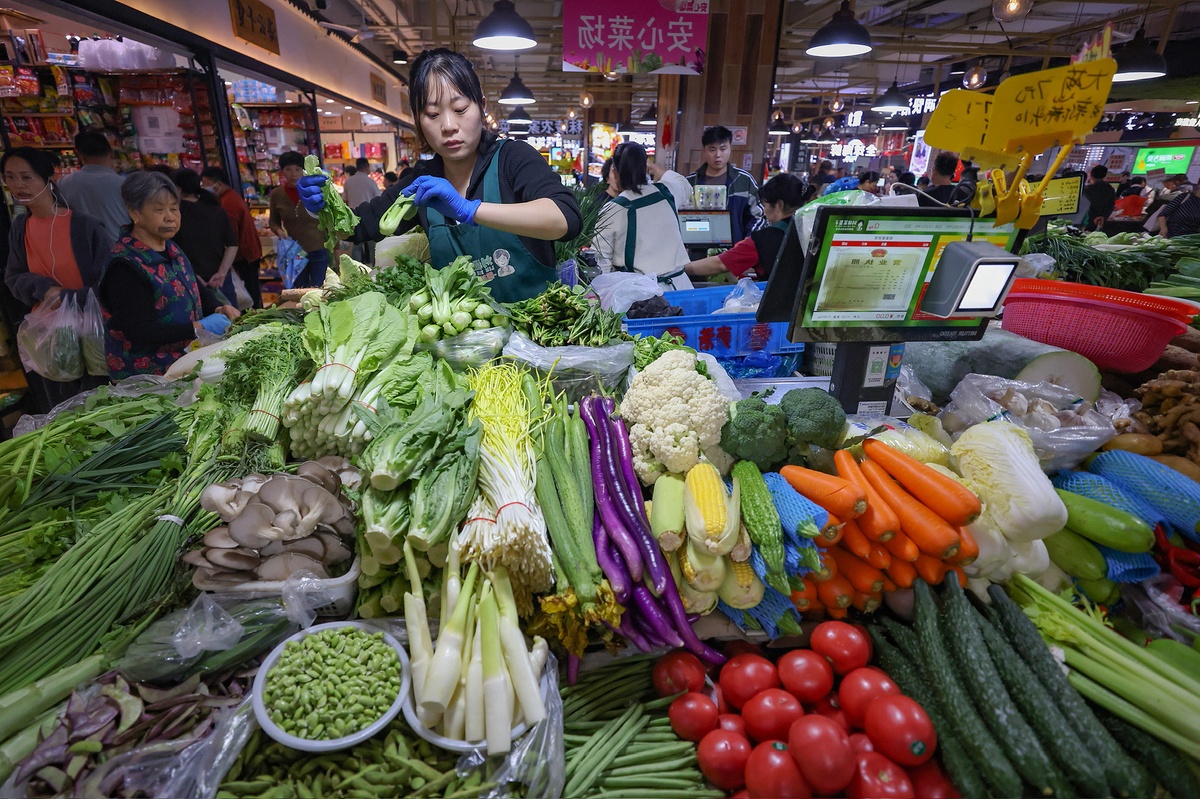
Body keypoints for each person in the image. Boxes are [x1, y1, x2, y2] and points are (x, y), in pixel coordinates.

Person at [295, 48, 581, 302]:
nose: (448, 126)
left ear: (481, 106)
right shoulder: (422, 180)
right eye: (432, 114)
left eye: (460, 109)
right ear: (418, 120)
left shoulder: (513, 158)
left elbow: (565, 219)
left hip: (534, 333)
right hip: (464, 340)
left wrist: (470, 210)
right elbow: (358, 227)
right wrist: (320, 205)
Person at [2, 147, 113, 410]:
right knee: (64, 412)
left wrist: (68, 297)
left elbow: (109, 282)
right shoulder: (20, 228)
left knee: (101, 409)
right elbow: (13, 277)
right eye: (10, 177)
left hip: (93, 333)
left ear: (46, 179)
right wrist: (43, 289)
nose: (19, 185)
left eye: (27, 177)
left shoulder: (85, 226)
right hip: (51, 338)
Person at [99, 171, 239, 379]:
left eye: (174, 208)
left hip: (183, 362)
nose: (170, 217)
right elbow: (138, 331)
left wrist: (218, 307)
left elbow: (192, 286)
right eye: (159, 210)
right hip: (149, 376)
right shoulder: (126, 265)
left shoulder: (172, 249)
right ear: (134, 212)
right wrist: (199, 327)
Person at [594, 141, 691, 290]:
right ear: (645, 169)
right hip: (681, 288)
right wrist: (653, 166)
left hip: (640, 295)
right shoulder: (668, 192)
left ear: (614, 172)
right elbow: (683, 183)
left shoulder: (613, 209)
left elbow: (601, 263)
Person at [686, 173, 803, 281]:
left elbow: (719, 264)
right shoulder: (809, 227)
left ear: (778, 205)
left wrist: (681, 269)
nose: (764, 211)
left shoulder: (764, 239)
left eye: (765, 205)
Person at [170, 168, 239, 305]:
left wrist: (192, 276)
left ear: (177, 189)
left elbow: (172, 249)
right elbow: (232, 244)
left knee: (202, 325)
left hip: (189, 282)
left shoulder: (174, 214)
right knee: (232, 322)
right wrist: (222, 273)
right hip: (220, 282)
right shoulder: (216, 209)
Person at [685, 126, 764, 241]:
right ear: (704, 151)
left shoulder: (744, 181)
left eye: (723, 149)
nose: (718, 155)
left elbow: (757, 216)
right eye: (712, 150)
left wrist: (745, 243)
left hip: (734, 252)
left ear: (730, 148)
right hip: (697, 251)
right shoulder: (690, 182)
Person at [201, 166, 264, 308]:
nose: (204, 188)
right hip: (247, 252)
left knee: (250, 293)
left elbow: (231, 236)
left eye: (205, 184)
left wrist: (227, 262)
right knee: (251, 290)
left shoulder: (227, 203)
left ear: (218, 184)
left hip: (244, 254)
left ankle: (255, 318)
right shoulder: (230, 197)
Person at [269, 151, 328, 287]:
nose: (293, 173)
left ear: (303, 170)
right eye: (288, 170)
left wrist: (336, 249)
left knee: (320, 290)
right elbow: (273, 221)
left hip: (318, 248)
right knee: (299, 291)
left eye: (297, 169)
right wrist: (279, 231)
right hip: (294, 251)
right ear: (282, 171)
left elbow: (329, 220)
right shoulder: (277, 194)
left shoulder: (314, 191)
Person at [57, 130, 129, 240]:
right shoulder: (125, 184)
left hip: (82, 250)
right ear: (111, 153)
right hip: (120, 251)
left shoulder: (63, 183)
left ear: (80, 156)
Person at [342, 157, 381, 263]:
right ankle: (374, 266)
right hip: (369, 216)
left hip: (353, 216)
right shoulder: (370, 182)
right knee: (372, 245)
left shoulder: (348, 181)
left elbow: (344, 200)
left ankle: (358, 268)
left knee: (356, 245)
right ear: (367, 167)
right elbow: (378, 198)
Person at [1083, 164, 1116, 231]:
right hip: (1101, 221)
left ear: (1091, 175)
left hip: (1088, 222)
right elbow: (1111, 205)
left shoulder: (1087, 189)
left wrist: (1093, 218)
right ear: (1104, 176)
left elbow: (1085, 206)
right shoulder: (1111, 189)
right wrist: (1103, 217)